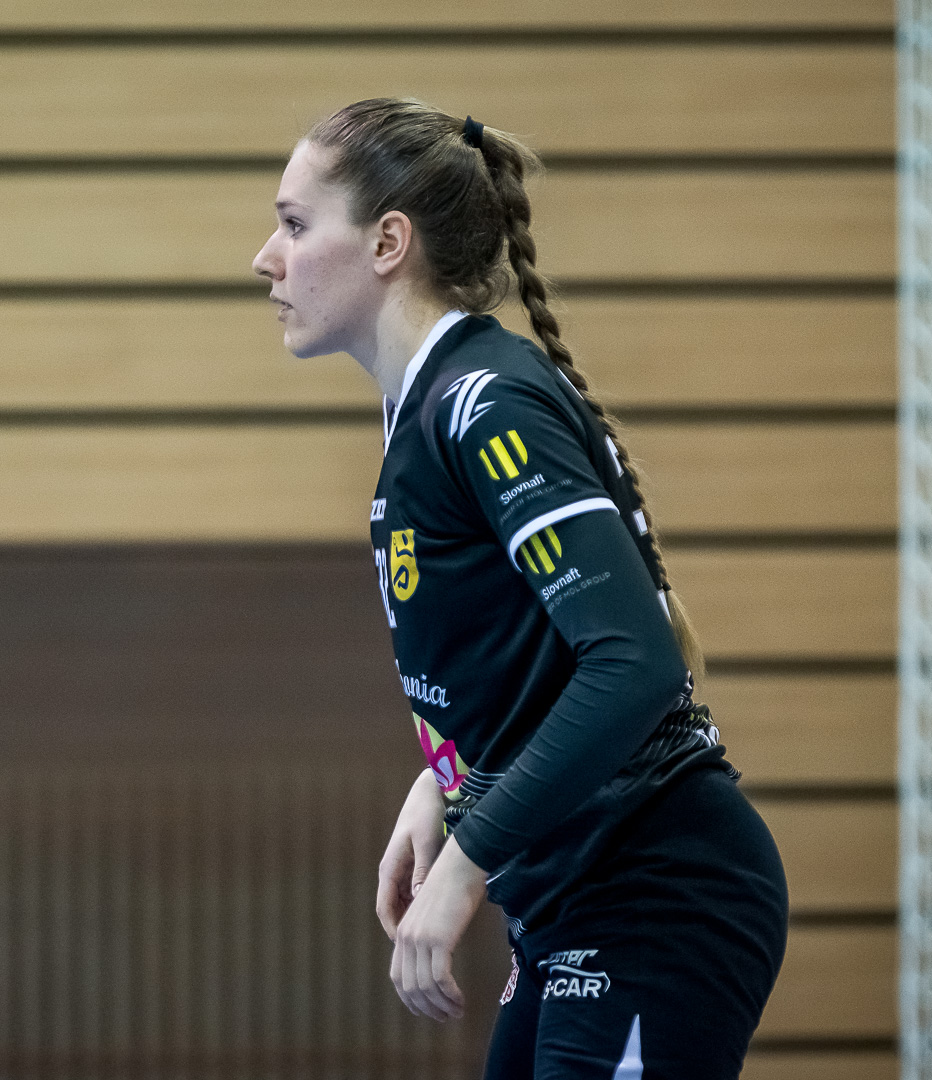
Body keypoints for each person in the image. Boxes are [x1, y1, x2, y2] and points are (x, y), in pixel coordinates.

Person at [251, 98, 789, 1080]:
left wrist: (466, 862)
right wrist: (446, 781)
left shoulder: (483, 400)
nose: (265, 259)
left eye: (293, 224)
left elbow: (635, 665)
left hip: (656, 893)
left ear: (387, 243)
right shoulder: (429, 409)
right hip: (570, 905)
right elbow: (535, 656)